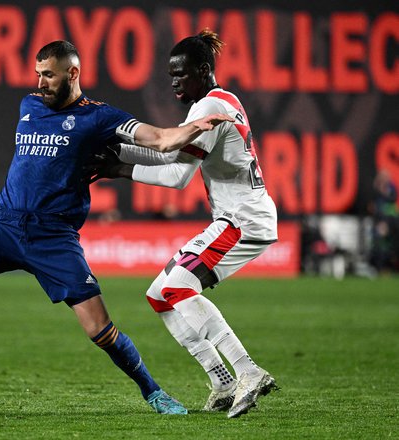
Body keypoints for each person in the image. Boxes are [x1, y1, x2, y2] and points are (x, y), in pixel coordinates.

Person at [0, 40, 232, 415]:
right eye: (38, 74)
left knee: (101, 331)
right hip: (3, 224)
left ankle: (153, 392)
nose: (40, 83)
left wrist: (194, 128)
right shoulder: (29, 106)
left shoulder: (100, 118)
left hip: (54, 237)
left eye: (49, 75)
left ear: (73, 74)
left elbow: (159, 139)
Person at [87, 29, 279, 418]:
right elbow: (173, 153)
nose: (174, 81)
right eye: (170, 74)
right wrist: (121, 151)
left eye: (181, 73)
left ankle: (247, 371)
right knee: (161, 294)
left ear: (204, 70)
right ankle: (222, 380)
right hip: (244, 216)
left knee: (176, 288)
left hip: (241, 219)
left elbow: (177, 177)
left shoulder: (207, 108)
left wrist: (120, 168)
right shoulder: (223, 100)